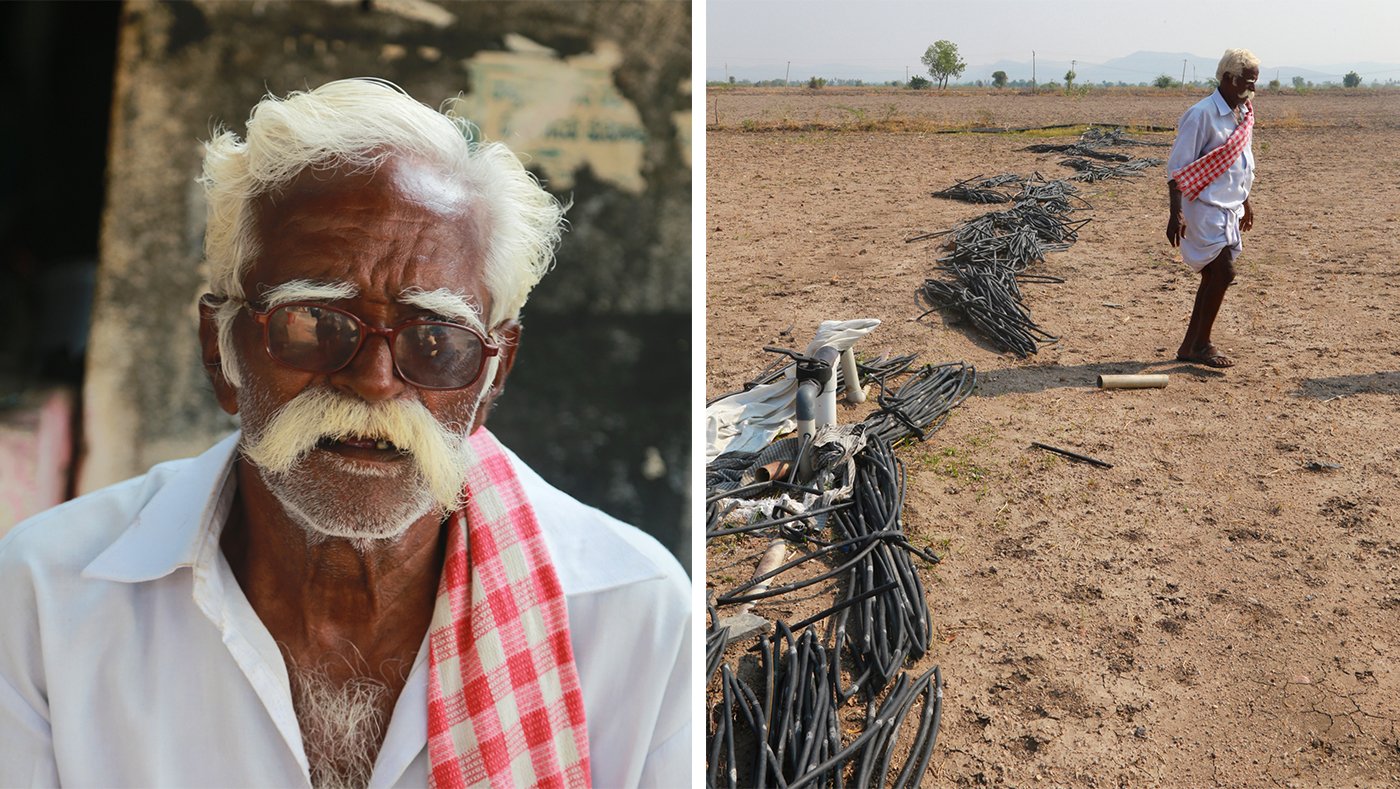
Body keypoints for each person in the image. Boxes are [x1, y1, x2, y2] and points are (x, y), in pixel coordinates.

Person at [0, 79, 690, 788]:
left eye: (434, 337)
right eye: (314, 321)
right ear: (222, 350)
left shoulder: (632, 622)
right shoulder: (45, 602)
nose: (375, 381)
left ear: (492, 375)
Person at [1165, 48, 1260, 369]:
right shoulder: (1201, 114)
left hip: (1229, 208)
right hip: (1202, 208)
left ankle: (1190, 346)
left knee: (1212, 276)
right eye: (1247, 82)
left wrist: (1245, 200)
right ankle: (1202, 344)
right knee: (1222, 272)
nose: (1252, 89)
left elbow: (1236, 163)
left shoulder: (1242, 113)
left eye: (1255, 82)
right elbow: (1178, 169)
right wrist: (1174, 213)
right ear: (1227, 79)